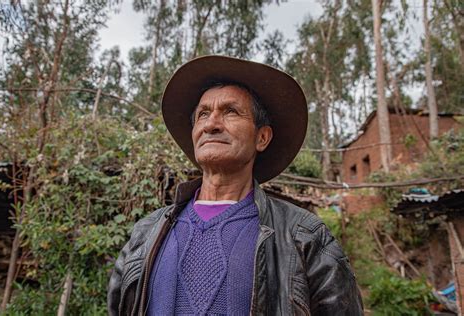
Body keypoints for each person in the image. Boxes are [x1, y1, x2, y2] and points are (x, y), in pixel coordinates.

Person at [108, 55, 363, 315]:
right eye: (203, 114)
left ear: (262, 137)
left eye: (230, 111)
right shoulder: (146, 233)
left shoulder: (304, 236)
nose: (211, 124)